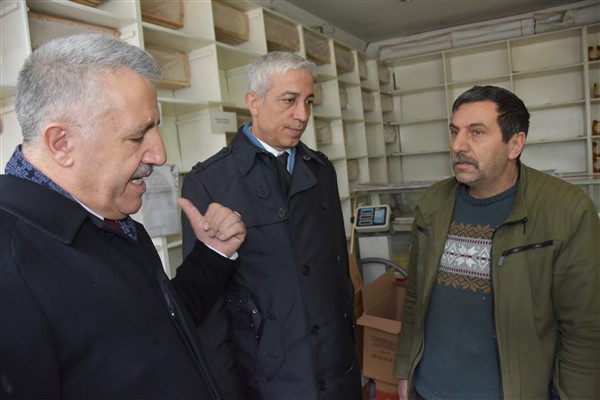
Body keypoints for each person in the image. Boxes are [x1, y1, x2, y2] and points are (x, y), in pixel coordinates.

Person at [0, 34, 246, 399]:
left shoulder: (109, 218)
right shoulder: (10, 267)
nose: (159, 154)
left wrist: (212, 255)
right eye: (137, 136)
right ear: (62, 143)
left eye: (156, 126)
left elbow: (159, 327)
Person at [394, 85, 600, 400]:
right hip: (427, 389)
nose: (458, 145)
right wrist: (404, 370)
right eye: (454, 131)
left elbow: (584, 329)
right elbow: (413, 299)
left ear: (514, 144)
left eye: (476, 132)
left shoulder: (567, 210)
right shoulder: (433, 203)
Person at [181, 51, 362, 399]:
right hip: (270, 379)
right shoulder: (210, 182)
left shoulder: (321, 170)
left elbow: (337, 271)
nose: (303, 115)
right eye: (289, 100)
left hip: (338, 368)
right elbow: (209, 312)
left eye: (308, 101)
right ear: (254, 102)